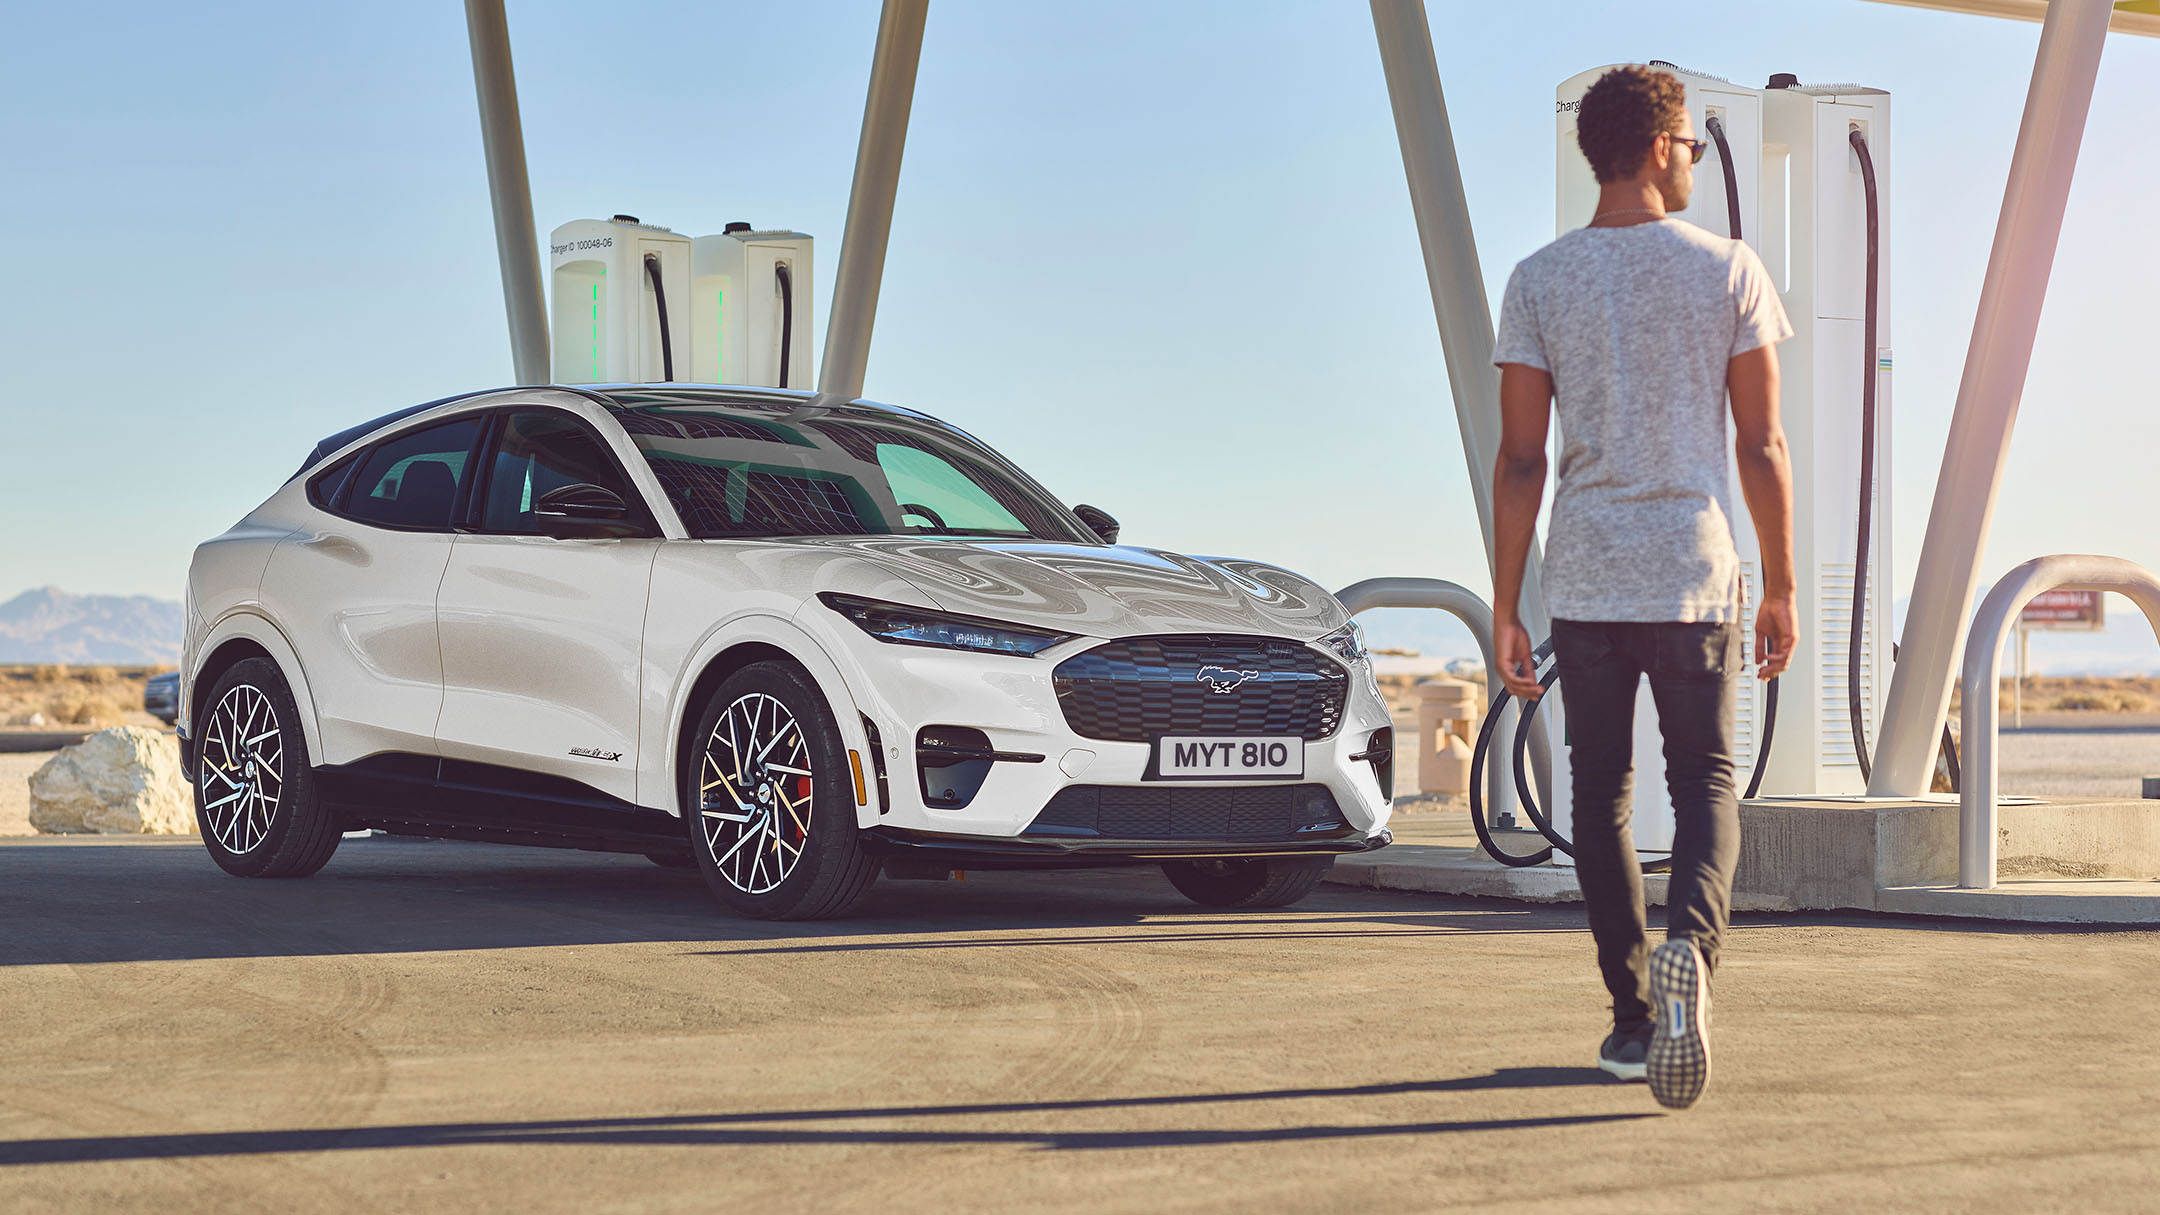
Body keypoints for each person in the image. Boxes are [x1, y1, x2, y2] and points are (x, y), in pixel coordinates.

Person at [1489, 65, 1797, 1110]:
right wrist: (1783, 584)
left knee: (1601, 793)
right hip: (1695, 569)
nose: (1696, 166)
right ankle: (1692, 967)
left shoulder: (1540, 278)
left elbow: (1522, 458)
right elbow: (1761, 441)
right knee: (1707, 779)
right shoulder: (1729, 270)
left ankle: (1631, 1019)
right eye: (1695, 149)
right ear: (1664, 147)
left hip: (1585, 573)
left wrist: (1503, 606)